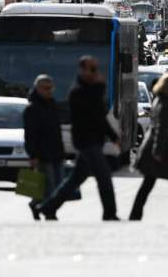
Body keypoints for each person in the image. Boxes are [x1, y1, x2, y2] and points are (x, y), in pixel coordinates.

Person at [40, 56, 119, 221]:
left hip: (93, 141)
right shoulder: (77, 91)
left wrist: (113, 136)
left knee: (75, 179)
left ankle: (49, 207)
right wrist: (100, 85)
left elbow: (101, 116)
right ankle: (109, 213)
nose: (95, 73)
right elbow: (94, 114)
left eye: (96, 69)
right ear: (82, 70)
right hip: (86, 141)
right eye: (91, 69)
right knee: (104, 176)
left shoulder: (91, 90)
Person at [130, 73, 168, 220]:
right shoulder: (165, 104)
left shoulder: (161, 100)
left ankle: (134, 215)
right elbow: (162, 129)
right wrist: (158, 151)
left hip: (159, 148)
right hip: (161, 149)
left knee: (149, 184)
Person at [23, 74, 65, 221]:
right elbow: (30, 135)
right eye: (45, 88)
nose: (49, 91)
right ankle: (50, 213)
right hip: (42, 154)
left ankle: (35, 204)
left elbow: (57, 131)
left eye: (51, 88)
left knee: (58, 185)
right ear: (38, 88)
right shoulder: (31, 109)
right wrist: (33, 155)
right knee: (49, 185)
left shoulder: (53, 105)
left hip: (57, 152)